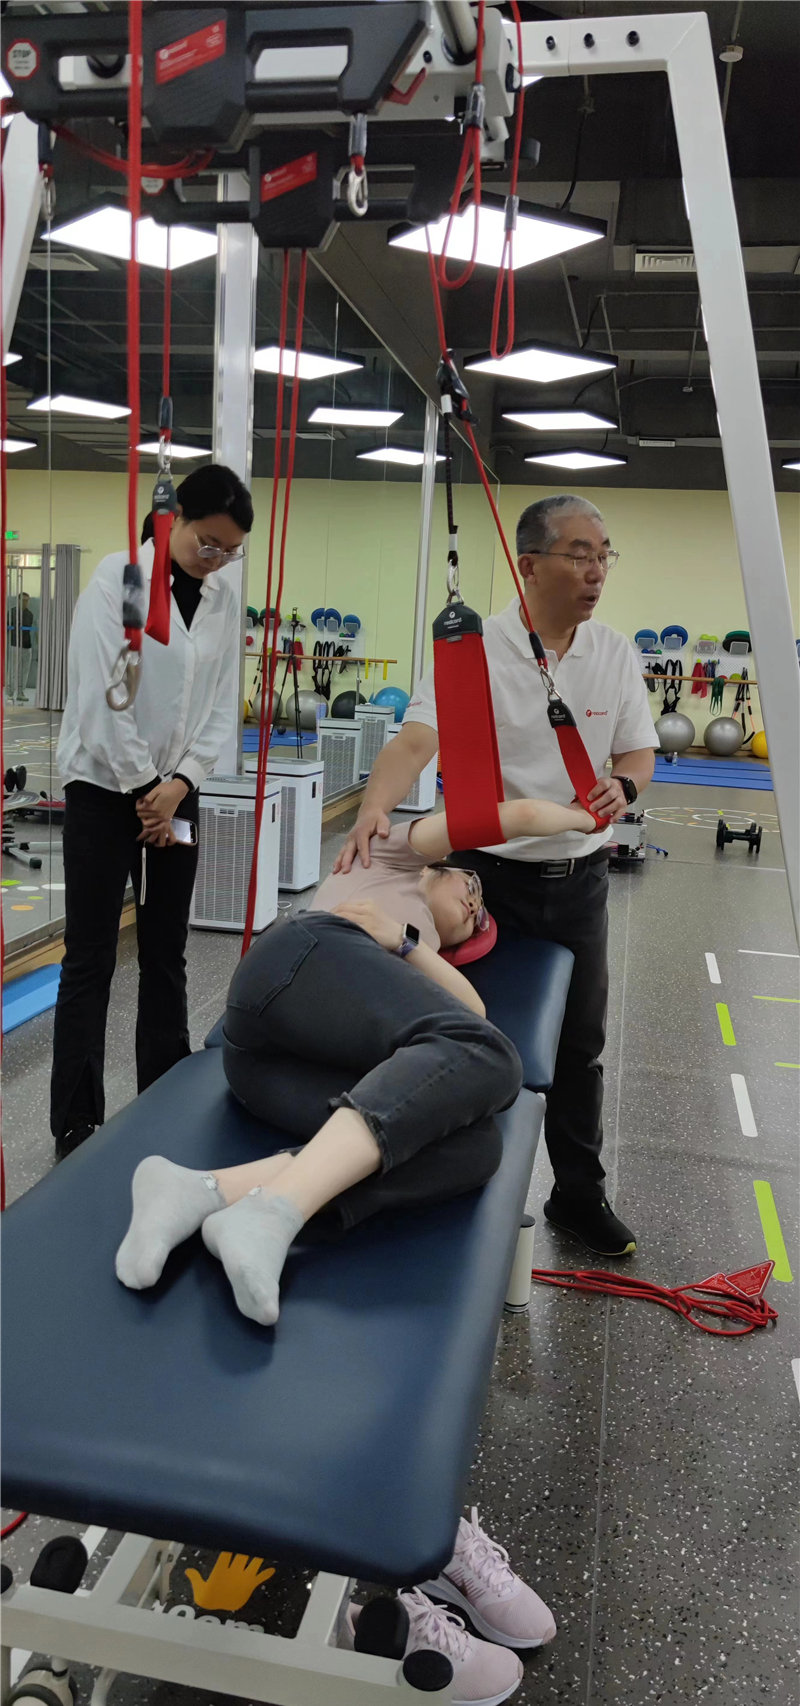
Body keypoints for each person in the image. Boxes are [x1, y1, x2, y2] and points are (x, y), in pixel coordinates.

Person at [115, 791, 597, 1325]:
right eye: (472, 888)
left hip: (268, 1071)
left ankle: (205, 1193)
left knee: (476, 1148)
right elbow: (516, 815)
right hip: (296, 959)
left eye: (476, 920)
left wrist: (406, 942)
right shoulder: (389, 856)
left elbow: (474, 1015)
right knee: (496, 1058)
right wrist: (588, 817)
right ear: (442, 867)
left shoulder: (414, 953)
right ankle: (275, 1212)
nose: (474, 907)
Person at [334, 494, 659, 1258]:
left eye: (604, 555)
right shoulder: (473, 651)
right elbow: (416, 740)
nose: (596, 570)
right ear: (529, 565)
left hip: (579, 879)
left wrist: (626, 785)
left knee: (579, 1044)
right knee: (467, 1032)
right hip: (484, 881)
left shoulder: (614, 652)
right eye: (580, 554)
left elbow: (638, 752)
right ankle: (454, 1182)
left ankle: (577, 1194)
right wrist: (373, 806)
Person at [51, 463, 253, 1160]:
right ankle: (76, 1121)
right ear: (175, 521)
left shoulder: (223, 599)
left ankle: (164, 1097)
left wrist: (180, 784)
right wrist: (148, 789)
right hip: (104, 788)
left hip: (176, 790)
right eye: (207, 542)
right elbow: (103, 698)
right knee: (91, 955)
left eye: (231, 550)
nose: (216, 559)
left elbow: (221, 704)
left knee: (166, 949)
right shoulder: (124, 580)